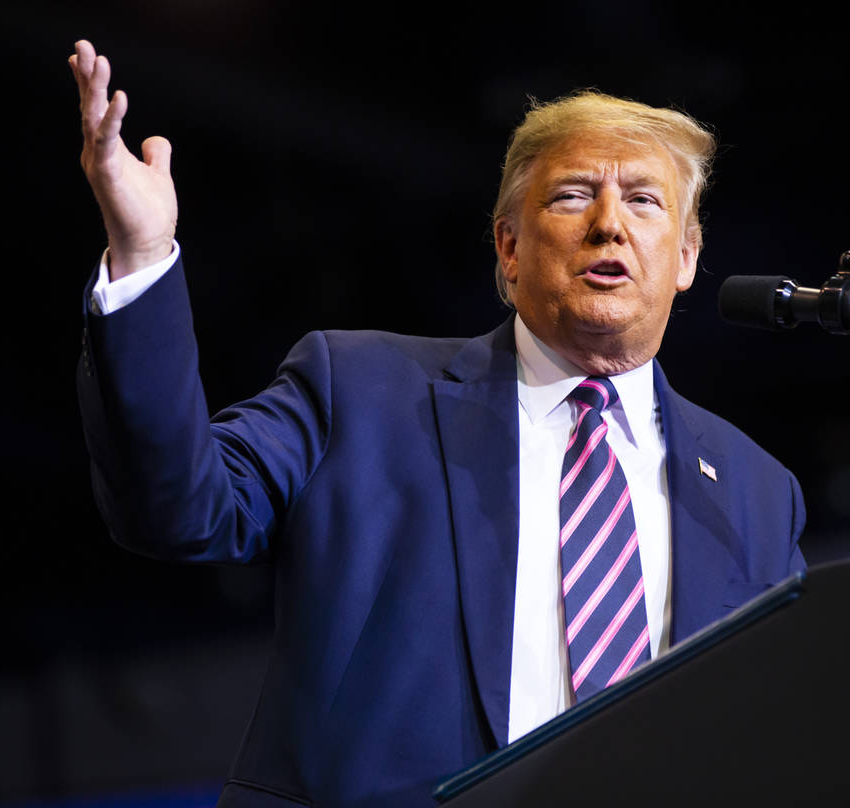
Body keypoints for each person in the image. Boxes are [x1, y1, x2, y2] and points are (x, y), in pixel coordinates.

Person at [70, 39, 805, 808]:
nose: (609, 226)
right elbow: (179, 510)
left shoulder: (757, 490)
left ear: (685, 256)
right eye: (572, 196)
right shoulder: (356, 391)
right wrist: (144, 256)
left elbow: (784, 732)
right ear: (509, 247)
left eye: (644, 200)